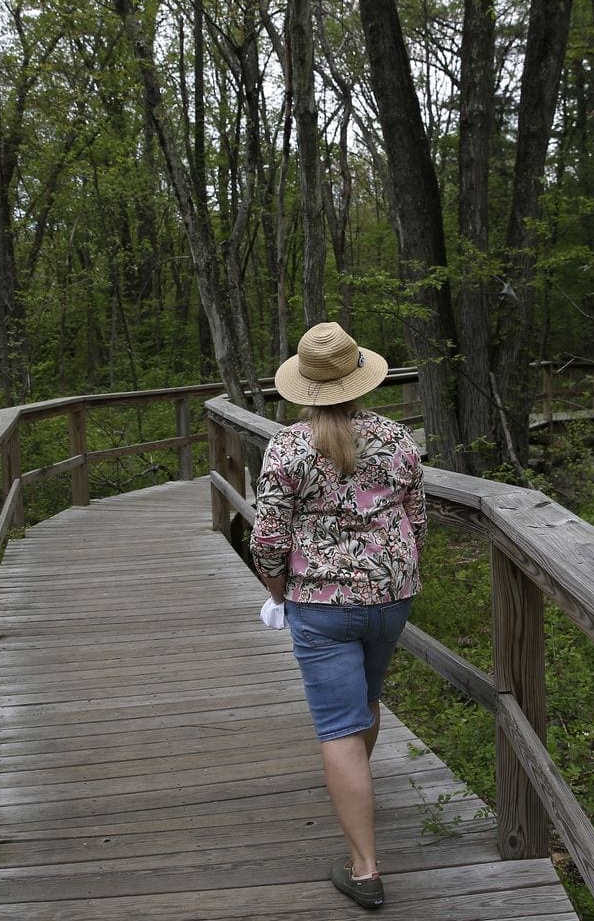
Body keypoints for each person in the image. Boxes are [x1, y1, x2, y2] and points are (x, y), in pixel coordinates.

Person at [250, 321, 426, 910]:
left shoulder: (288, 446)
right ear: (359, 379)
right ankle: (356, 786)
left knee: (338, 728)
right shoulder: (398, 438)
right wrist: (396, 573)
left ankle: (365, 868)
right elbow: (416, 521)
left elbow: (268, 538)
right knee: (366, 703)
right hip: (390, 598)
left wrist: (279, 590)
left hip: (321, 604)